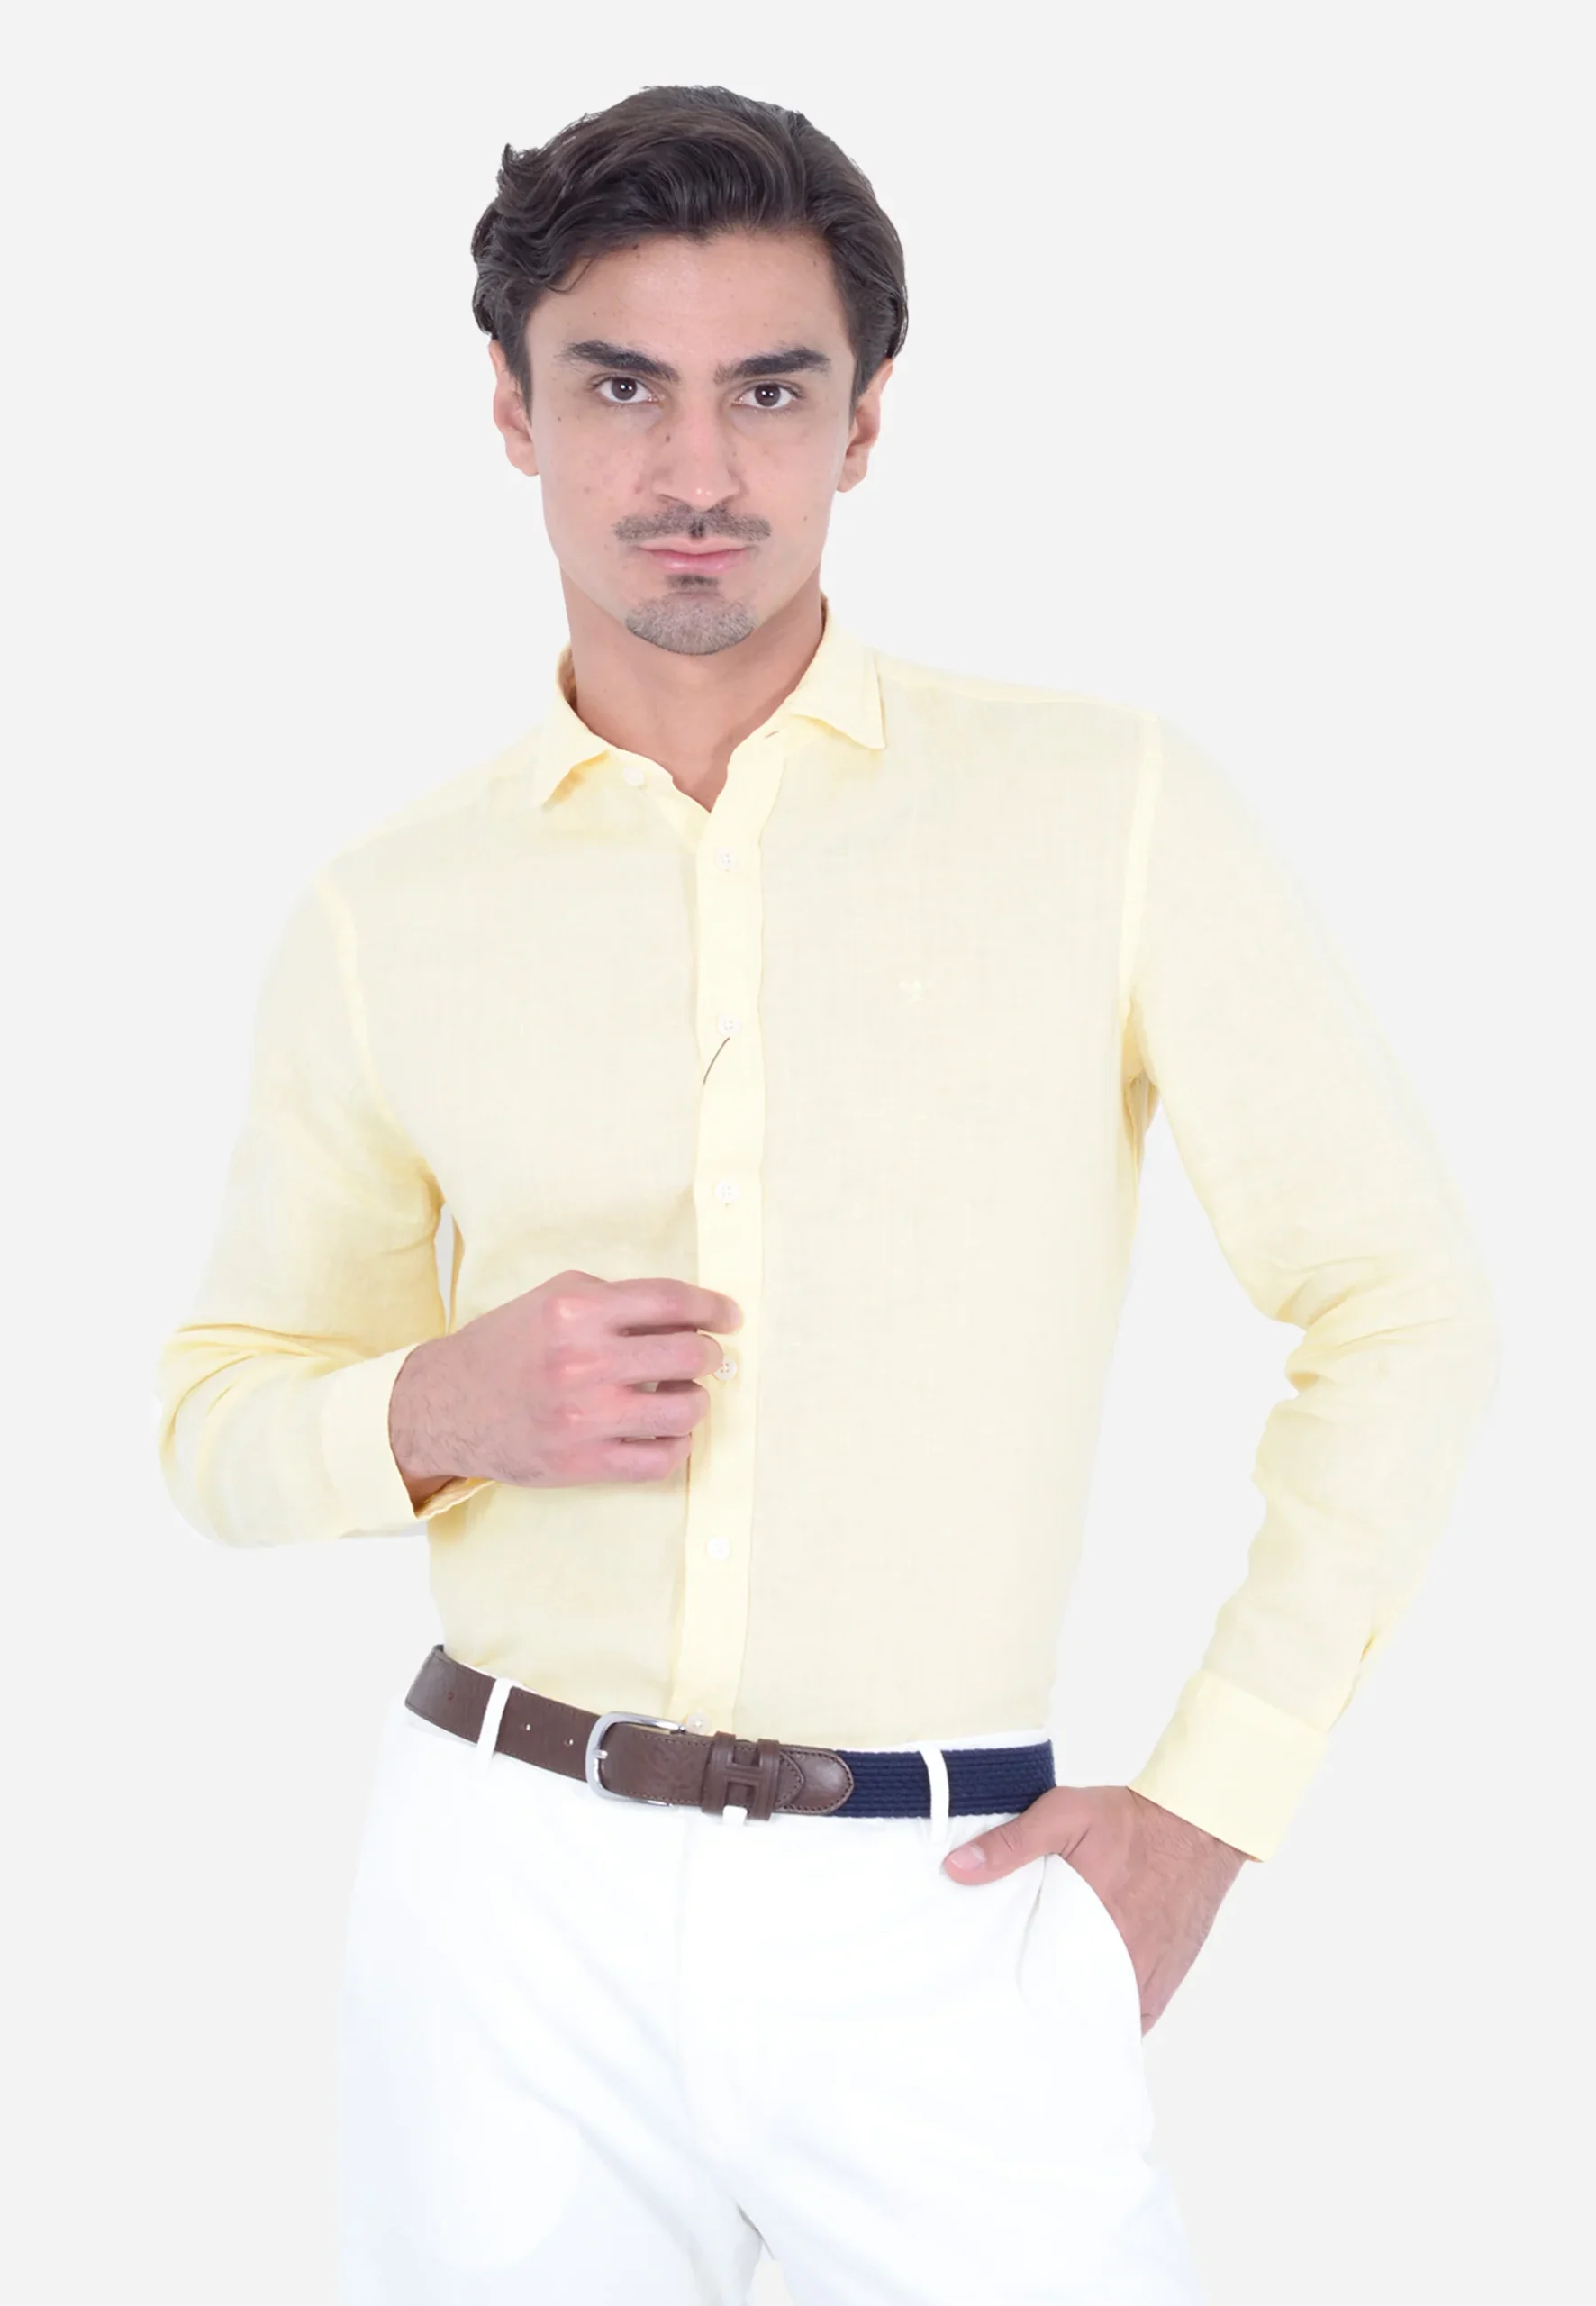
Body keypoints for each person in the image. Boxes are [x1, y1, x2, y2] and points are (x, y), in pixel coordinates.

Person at [152, 81, 1501, 2306]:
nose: (696, 469)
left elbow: (1396, 1300)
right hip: (502, 1905)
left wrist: (1209, 1809)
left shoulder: (1108, 810)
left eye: (768, 391)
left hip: (949, 1906)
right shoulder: (386, 907)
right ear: (509, 410)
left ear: (863, 421)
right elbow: (214, 1411)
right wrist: (435, 1404)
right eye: (622, 388)